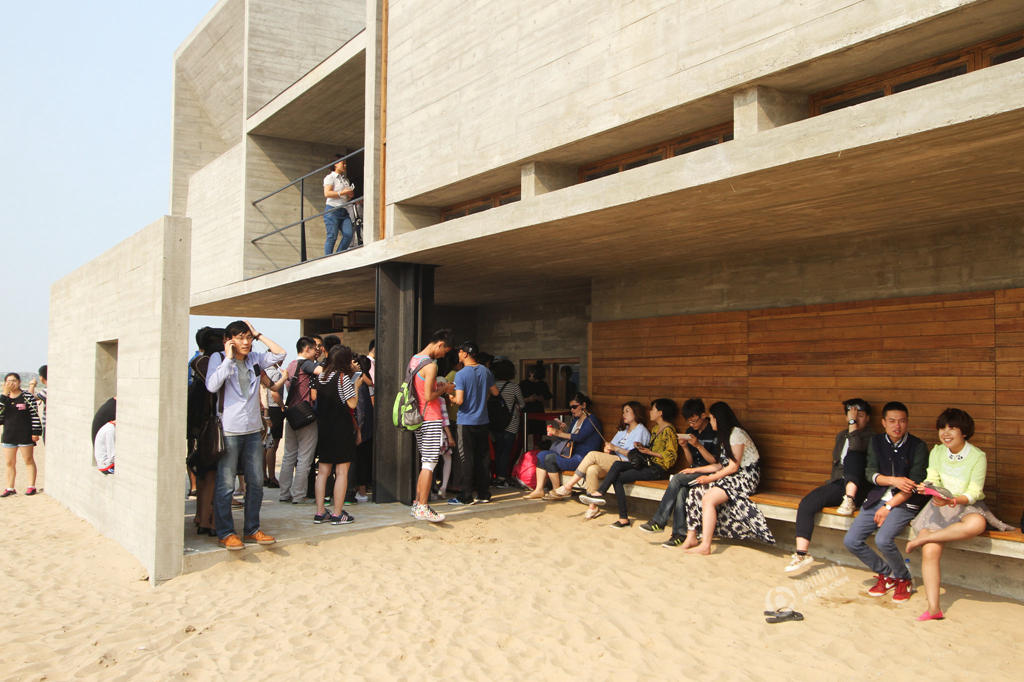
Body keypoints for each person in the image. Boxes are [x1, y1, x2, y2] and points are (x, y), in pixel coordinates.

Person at [906, 408, 1012, 620]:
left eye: (952, 428)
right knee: (930, 550)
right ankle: (934, 608)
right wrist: (929, 489)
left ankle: (925, 537)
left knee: (977, 524)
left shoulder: (977, 456)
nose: (945, 433)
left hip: (964, 503)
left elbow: (974, 492)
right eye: (942, 428)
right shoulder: (937, 452)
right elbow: (932, 478)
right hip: (939, 504)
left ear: (964, 432)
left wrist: (953, 501)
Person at [205, 320, 286, 550]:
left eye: (248, 338)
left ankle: (252, 529)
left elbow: (281, 353)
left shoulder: (255, 358)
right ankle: (226, 533)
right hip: (229, 429)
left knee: (256, 483)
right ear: (228, 340)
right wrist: (229, 358)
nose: (245, 342)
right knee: (226, 485)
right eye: (240, 337)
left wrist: (258, 334)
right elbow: (212, 386)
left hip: (252, 430)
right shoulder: (219, 358)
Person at [842, 401, 928, 601]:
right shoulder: (876, 442)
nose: (897, 426)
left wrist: (889, 506)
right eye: (892, 421)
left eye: (902, 421)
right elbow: (870, 473)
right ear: (883, 422)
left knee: (883, 540)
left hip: (905, 501)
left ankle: (904, 578)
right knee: (851, 541)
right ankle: (888, 574)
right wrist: (892, 480)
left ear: (907, 422)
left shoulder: (918, 446)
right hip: (878, 497)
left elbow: (913, 484)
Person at [784, 399, 873, 573]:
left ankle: (850, 498)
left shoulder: (873, 437)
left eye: (860, 415)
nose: (855, 419)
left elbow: (855, 448)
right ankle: (802, 554)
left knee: (853, 456)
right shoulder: (841, 436)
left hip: (861, 486)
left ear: (868, 418)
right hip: (839, 483)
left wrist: (853, 423)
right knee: (807, 503)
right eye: (851, 415)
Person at [681, 401, 775, 553]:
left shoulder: (737, 434)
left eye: (712, 418)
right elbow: (720, 465)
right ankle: (691, 536)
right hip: (731, 475)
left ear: (719, 419)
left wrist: (710, 479)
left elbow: (733, 466)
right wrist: (695, 470)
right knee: (695, 492)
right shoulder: (724, 435)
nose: (710, 422)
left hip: (745, 477)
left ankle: (705, 544)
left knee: (708, 498)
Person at [580, 398, 677, 527]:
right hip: (647, 464)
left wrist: (649, 452)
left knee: (616, 473)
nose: (650, 411)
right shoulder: (655, 429)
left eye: (653, 409)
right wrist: (641, 448)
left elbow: (671, 457)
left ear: (660, 412)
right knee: (617, 469)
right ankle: (623, 518)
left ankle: (600, 494)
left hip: (657, 469)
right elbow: (650, 451)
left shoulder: (669, 430)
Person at [639, 398, 720, 545]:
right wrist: (685, 447)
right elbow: (691, 462)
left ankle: (659, 520)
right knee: (682, 491)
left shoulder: (713, 432)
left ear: (703, 416)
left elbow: (714, 462)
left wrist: (699, 446)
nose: (691, 425)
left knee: (677, 479)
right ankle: (679, 535)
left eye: (694, 421)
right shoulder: (690, 432)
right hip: (694, 470)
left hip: (710, 473)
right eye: (689, 422)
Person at [551, 400, 650, 519]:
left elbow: (635, 456)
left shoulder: (641, 431)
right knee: (592, 469)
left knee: (592, 455)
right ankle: (593, 507)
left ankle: (568, 486)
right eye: (623, 412)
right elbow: (612, 447)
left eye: (627, 411)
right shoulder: (623, 430)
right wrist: (608, 449)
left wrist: (616, 448)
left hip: (626, 464)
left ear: (636, 413)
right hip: (614, 461)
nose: (624, 414)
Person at [407, 329, 454, 522]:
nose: (443, 356)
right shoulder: (430, 366)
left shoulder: (414, 360)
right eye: (445, 351)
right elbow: (428, 396)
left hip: (418, 417)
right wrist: (445, 389)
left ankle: (418, 504)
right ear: (440, 344)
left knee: (425, 462)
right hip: (431, 417)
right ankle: (423, 506)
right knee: (429, 463)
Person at [526, 393, 603, 500]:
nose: (572, 410)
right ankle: (539, 490)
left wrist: (558, 433)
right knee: (542, 454)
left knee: (550, 458)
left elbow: (579, 437)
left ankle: (557, 491)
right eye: (570, 407)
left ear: (583, 405)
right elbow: (568, 439)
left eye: (574, 407)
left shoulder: (591, 420)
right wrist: (561, 431)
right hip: (571, 454)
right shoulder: (576, 420)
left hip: (582, 458)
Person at [313, 345, 359, 525]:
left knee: (323, 472)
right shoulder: (343, 378)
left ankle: (320, 512)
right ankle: (337, 514)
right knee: (341, 472)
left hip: (324, 429)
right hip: (341, 429)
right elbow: (352, 404)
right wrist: (356, 385)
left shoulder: (322, 376)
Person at [450, 341, 499, 505]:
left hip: (466, 421)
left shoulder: (461, 374)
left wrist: (450, 397)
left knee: (466, 458)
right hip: (483, 420)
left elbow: (459, 400)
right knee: (483, 457)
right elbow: (495, 392)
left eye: (459, 351)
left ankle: (466, 495)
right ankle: (484, 494)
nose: (458, 354)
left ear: (465, 354)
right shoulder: (486, 371)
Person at [187, 328, 223, 536]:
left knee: (204, 475)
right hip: (213, 429)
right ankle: (212, 521)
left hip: (199, 430)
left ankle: (201, 517)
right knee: (215, 476)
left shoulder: (198, 365)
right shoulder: (212, 366)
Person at [278, 337, 321, 504]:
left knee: (289, 456)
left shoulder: (291, 365)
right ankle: (298, 495)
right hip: (305, 415)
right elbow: (322, 372)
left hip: (291, 414)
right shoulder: (307, 364)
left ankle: (284, 493)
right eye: (315, 349)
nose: (317, 352)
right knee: (304, 457)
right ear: (307, 349)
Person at [1, 373, 43, 497]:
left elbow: (34, 415)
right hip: (9, 434)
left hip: (25, 434)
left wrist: (36, 432)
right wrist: (4, 395)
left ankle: (31, 486)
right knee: (9, 462)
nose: (11, 383)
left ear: (19, 382)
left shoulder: (27, 396)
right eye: (8, 381)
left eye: (14, 380)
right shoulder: (4, 398)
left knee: (28, 459)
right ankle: (10, 488)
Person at [491, 358, 525, 487]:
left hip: (495, 423)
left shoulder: (492, 385)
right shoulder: (514, 387)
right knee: (506, 451)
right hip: (511, 423)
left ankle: (495, 475)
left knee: (497, 450)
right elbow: (522, 404)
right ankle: (502, 477)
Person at [260, 359, 288, 488]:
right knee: (273, 445)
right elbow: (274, 393)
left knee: (264, 445)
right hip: (274, 409)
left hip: (264, 410)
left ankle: (263, 476)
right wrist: (283, 406)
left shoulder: (263, 372)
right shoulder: (276, 374)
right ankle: (272, 477)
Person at [352, 354, 374, 502]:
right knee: (364, 460)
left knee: (359, 461)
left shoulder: (358, 384)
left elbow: (360, 410)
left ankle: (360, 491)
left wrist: (358, 431)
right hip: (368, 429)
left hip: (362, 430)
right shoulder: (365, 383)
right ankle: (362, 490)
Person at [323, 157, 355, 254]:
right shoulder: (330, 177)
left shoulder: (345, 180)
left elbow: (347, 197)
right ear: (336, 164)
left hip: (343, 209)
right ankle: (328, 258)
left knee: (349, 234)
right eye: (343, 163)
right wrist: (342, 192)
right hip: (332, 209)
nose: (345, 165)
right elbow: (327, 193)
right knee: (332, 236)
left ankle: (338, 254)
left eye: (345, 163)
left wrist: (350, 194)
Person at [519, 363, 552, 450]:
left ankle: (536, 452)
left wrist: (540, 398)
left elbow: (548, 396)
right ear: (530, 373)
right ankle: (523, 453)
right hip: (526, 411)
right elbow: (517, 399)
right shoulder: (523, 384)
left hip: (538, 411)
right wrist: (528, 399)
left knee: (538, 436)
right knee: (522, 435)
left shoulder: (542, 384)